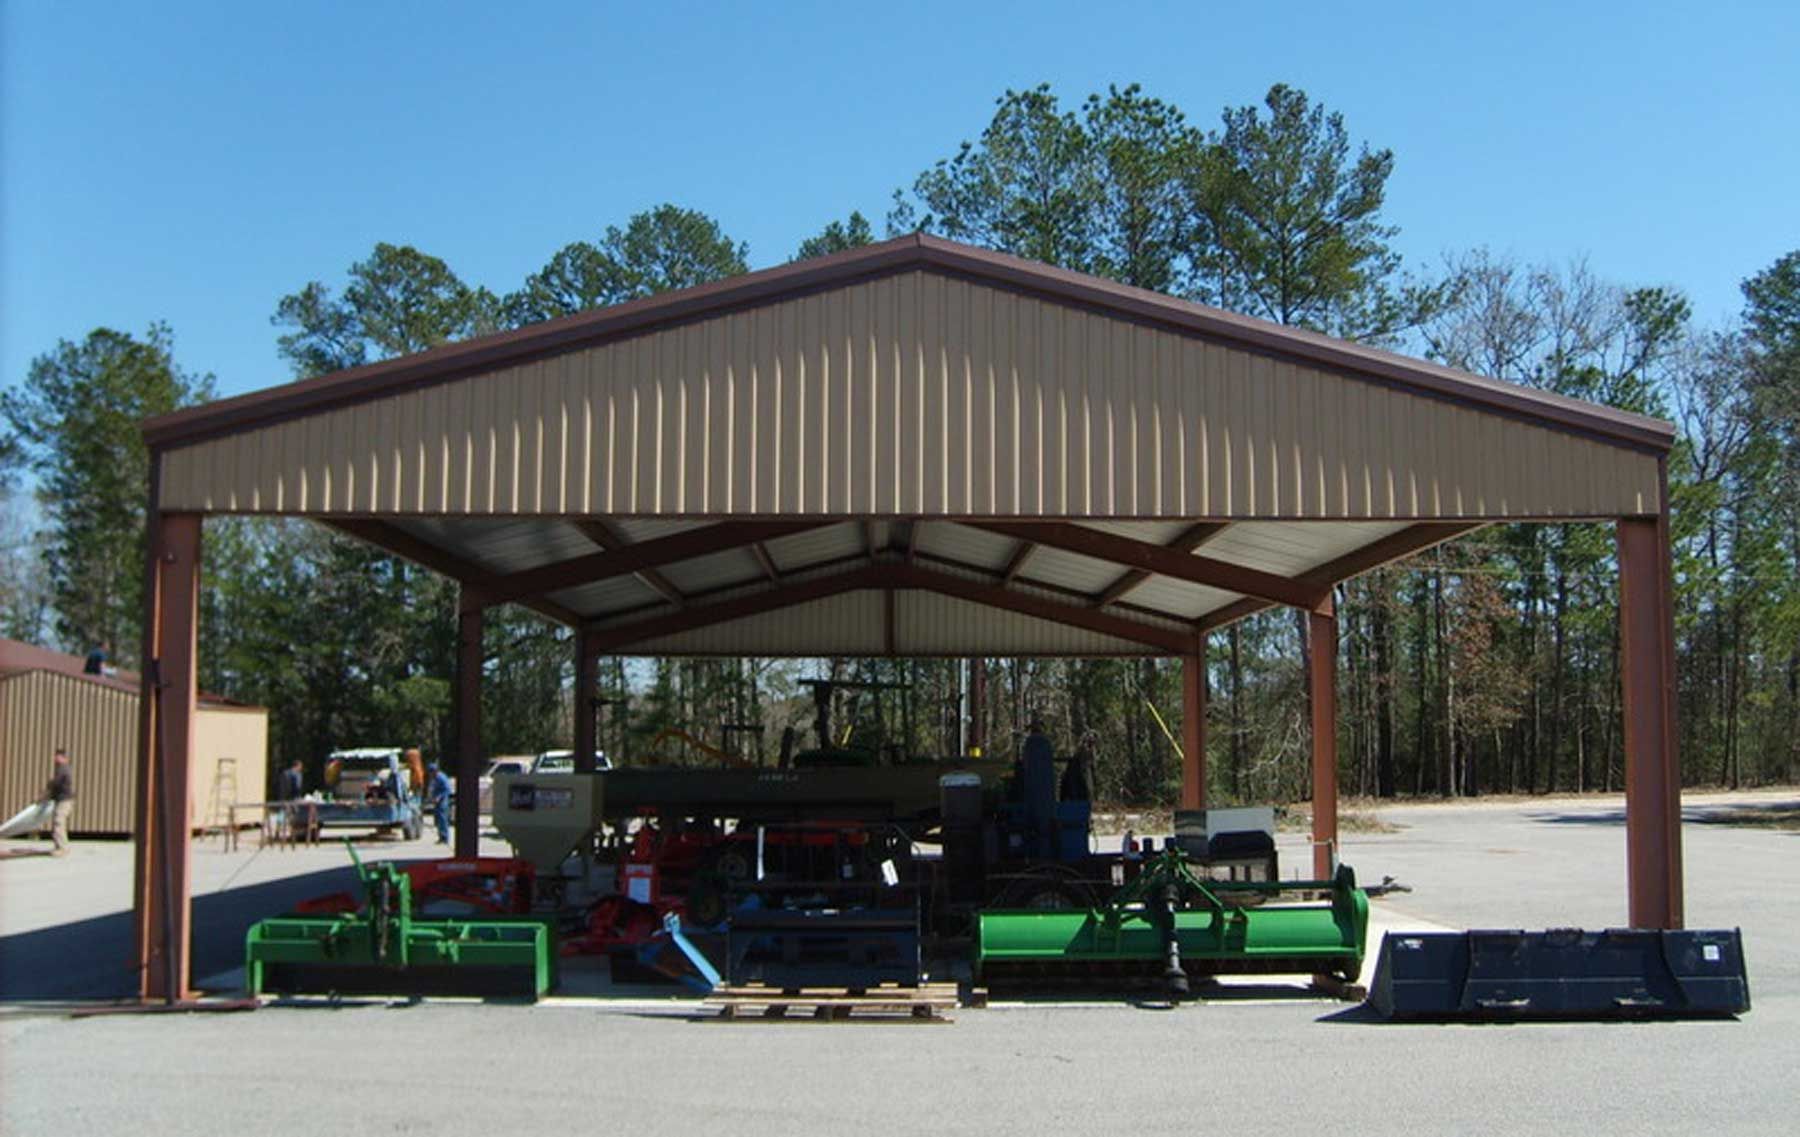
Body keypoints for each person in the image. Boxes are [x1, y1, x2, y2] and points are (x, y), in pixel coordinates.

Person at [46, 748, 74, 856]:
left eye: (57, 756)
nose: (55, 758)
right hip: (62, 800)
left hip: (64, 801)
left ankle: (62, 849)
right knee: (59, 823)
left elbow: (56, 783)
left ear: (63, 757)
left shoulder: (63, 769)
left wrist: (49, 785)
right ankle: (61, 846)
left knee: (59, 823)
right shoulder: (62, 768)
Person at [426, 762, 452, 845]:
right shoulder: (434, 778)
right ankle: (441, 836)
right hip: (437, 801)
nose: (430, 774)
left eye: (431, 771)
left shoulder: (441, 778)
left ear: (435, 771)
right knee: (438, 820)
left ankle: (445, 837)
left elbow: (447, 789)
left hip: (443, 801)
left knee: (443, 819)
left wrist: (439, 797)